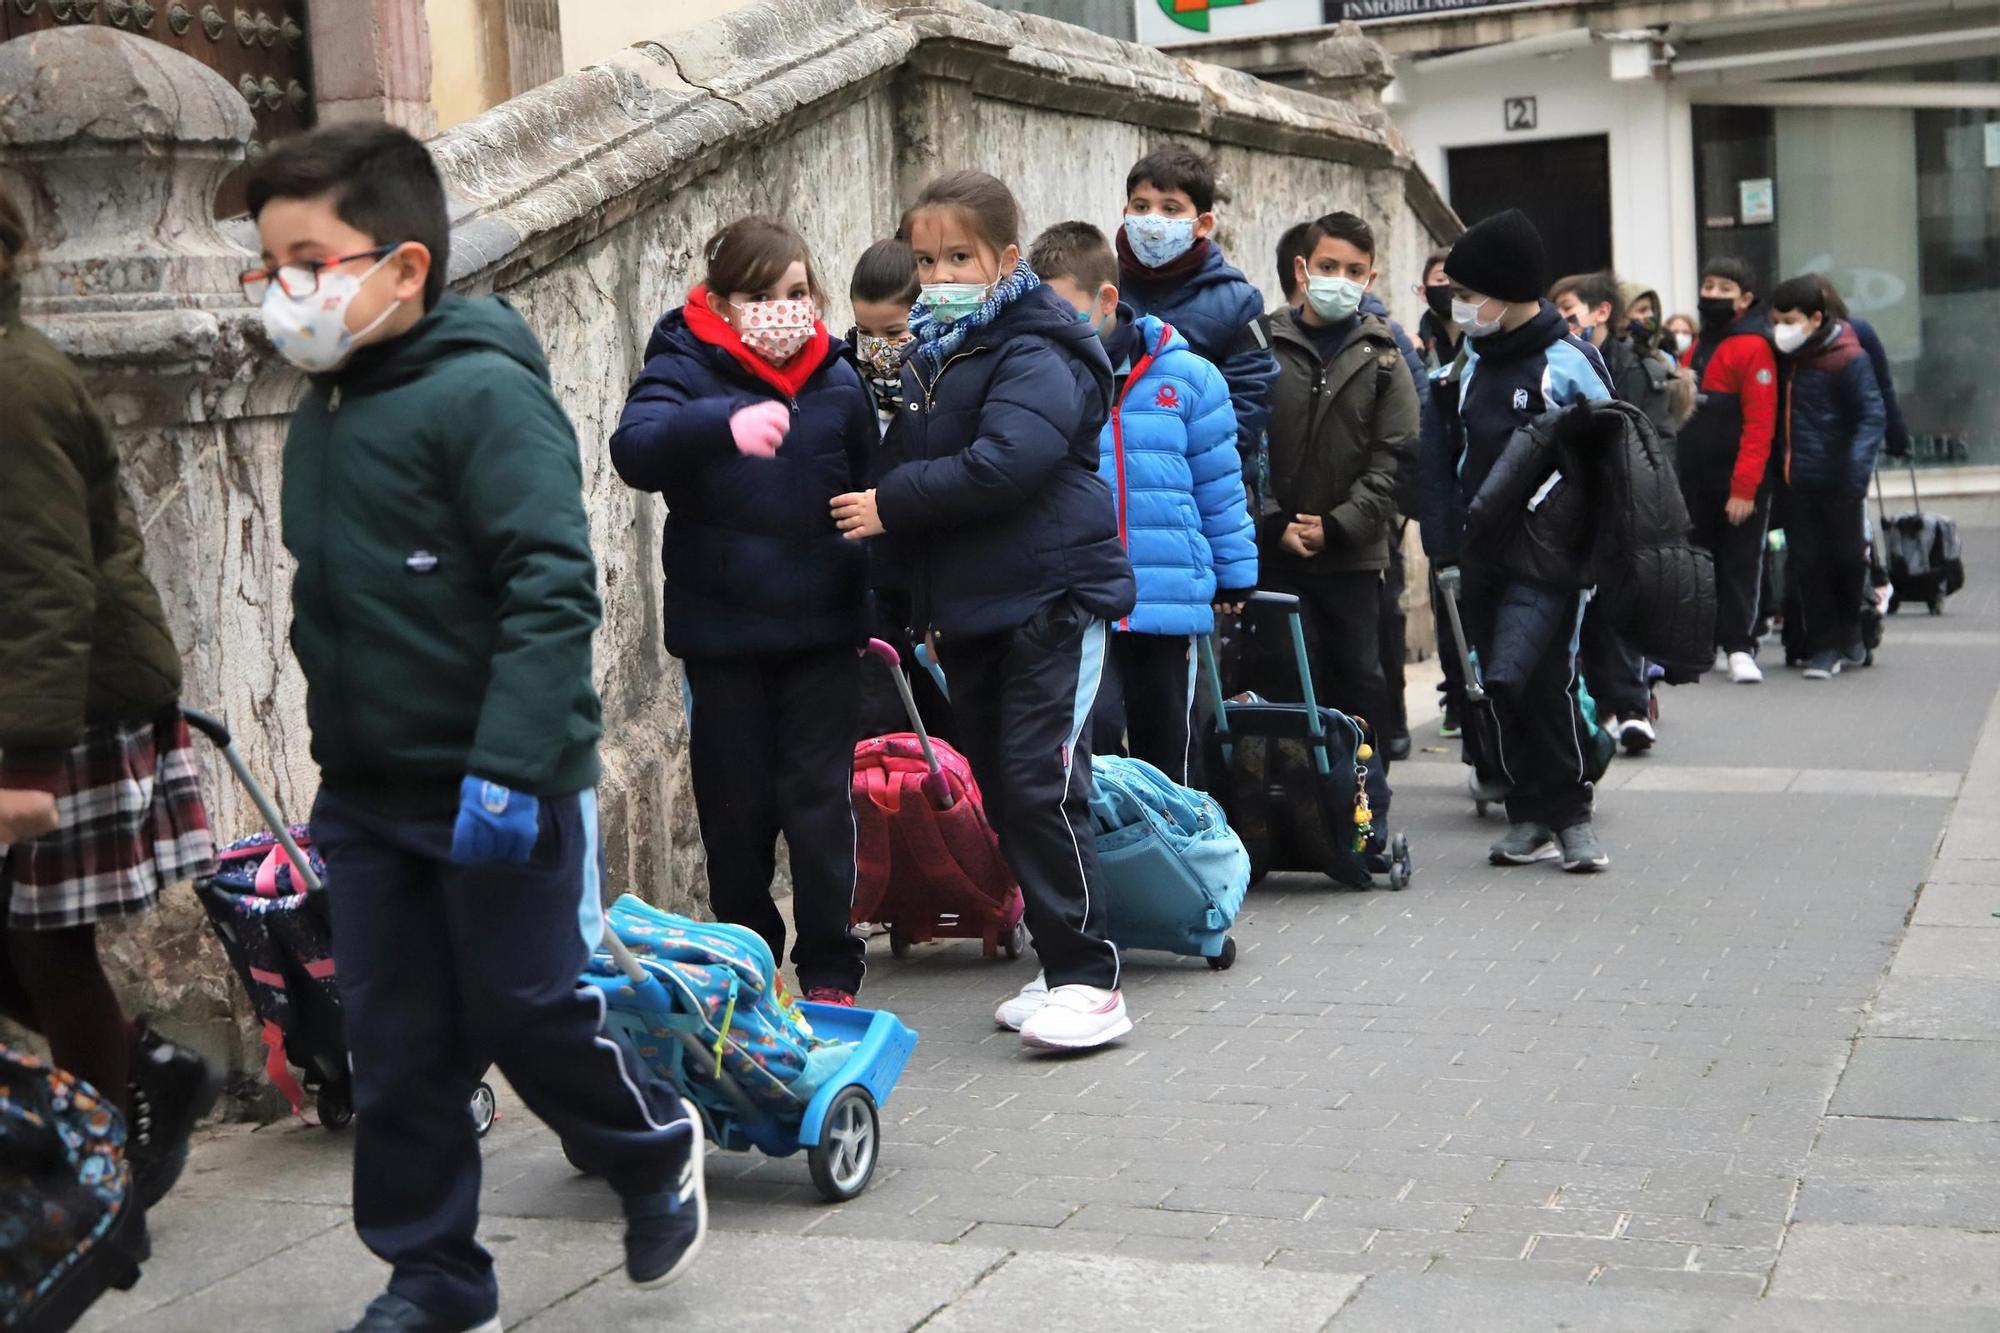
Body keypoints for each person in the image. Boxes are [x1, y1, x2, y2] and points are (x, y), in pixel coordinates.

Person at [248, 125, 704, 1332]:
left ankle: (652, 1148)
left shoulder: (485, 394)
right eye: (270, 267)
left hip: (502, 782)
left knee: (527, 1008)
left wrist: (509, 766)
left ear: (402, 266)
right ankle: (437, 1277)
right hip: (371, 793)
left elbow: (551, 585)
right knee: (394, 1045)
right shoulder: (326, 410)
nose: (286, 292)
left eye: (309, 259)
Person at [830, 172, 1137, 1052]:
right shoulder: (940, 351)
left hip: (1052, 599)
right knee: (1005, 789)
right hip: (977, 609)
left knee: (1042, 783)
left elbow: (1010, 459)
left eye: (958, 256)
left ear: (1006, 258)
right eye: (926, 259)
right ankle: (1060, 959)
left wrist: (891, 502)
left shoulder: (1037, 345)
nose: (939, 273)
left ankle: (1092, 976)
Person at [0, 187, 219, 1215]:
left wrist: (29, 762)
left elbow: (47, 579)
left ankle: (95, 1172)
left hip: (65, 706)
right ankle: (138, 1077)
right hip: (31, 698)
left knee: (49, 942)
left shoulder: (16, 384)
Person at [612, 216, 871, 1006]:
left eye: (796, 293)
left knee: (819, 807)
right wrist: (719, 425)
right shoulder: (683, 364)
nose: (782, 309)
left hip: (824, 634)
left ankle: (831, 971)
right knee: (736, 814)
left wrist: (887, 596)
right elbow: (636, 448)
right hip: (724, 637)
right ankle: (751, 963)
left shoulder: (839, 380)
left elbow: (873, 493)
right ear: (721, 304)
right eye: (759, 296)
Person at [1418, 209, 1615, 873]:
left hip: (1551, 558)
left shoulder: (1570, 364)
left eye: (1471, 294)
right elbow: (1443, 462)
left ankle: (1573, 815)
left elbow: (1611, 465)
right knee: (1495, 684)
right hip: (1483, 553)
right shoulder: (1467, 368)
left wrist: (1593, 551)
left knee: (1547, 677)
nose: (1462, 306)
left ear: (1506, 292)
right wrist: (1443, 547)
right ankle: (1526, 810)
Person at [1029, 220, 1255, 784]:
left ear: (1107, 300)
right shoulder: (1038, 379)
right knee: (1093, 739)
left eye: (1063, 311)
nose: (1051, 328)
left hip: (1167, 596)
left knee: (1170, 746)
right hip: (1083, 600)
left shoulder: (1190, 378)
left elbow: (1219, 484)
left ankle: (1177, 861)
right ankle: (1103, 863)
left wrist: (1234, 574)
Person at [1260, 212, 1420, 752]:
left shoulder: (1385, 357)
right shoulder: (1258, 341)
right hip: (1276, 556)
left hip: (1352, 558)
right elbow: (1237, 442)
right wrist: (1271, 520)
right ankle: (1288, 811)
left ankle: (1362, 813)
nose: (1340, 279)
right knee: (1284, 684)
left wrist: (1339, 525)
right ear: (1302, 269)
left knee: (1359, 685)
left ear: (1370, 280)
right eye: (1328, 266)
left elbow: (1393, 459)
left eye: (1355, 271)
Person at [843, 237, 954, 742]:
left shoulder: (945, 382)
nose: (879, 347)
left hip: (932, 588)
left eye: (893, 332)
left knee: (950, 739)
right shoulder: (841, 382)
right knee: (876, 741)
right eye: (865, 332)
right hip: (866, 593)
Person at [1115, 145, 1277, 492]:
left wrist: (1181, 465)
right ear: (1125, 212)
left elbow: (1249, 401)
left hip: (1196, 488)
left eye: (1170, 209)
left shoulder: (1240, 302)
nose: (1153, 219)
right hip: (1109, 484)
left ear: (1202, 224)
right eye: (1141, 207)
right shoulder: (1102, 288)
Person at [1549, 271, 1657, 753]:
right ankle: (1603, 707)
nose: (1563, 317)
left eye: (1569, 306)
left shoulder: (1634, 365)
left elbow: (1651, 436)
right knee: (1583, 612)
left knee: (1619, 606)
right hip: (1574, 505)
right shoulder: (1558, 360)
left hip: (1625, 498)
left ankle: (1632, 706)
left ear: (1601, 312)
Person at [1768, 275, 1886, 679]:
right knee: (1808, 565)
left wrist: (1855, 473)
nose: (1780, 328)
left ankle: (1850, 633)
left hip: (1839, 483)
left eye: (1788, 319)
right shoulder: (1786, 359)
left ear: (1815, 318)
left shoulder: (1848, 357)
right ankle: (1824, 646)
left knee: (1847, 561)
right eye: (1775, 319)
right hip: (1796, 480)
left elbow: (1871, 415)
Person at [1676, 257, 1778, 685]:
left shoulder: (1754, 347)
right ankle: (1708, 644)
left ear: (1745, 299)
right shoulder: (1696, 346)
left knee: (1740, 563)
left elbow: (1760, 425)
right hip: (1695, 479)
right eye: (1708, 286)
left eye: (1724, 289)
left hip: (1737, 481)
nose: (1712, 295)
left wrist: (1745, 488)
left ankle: (1740, 646)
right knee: (1700, 564)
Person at [1812, 274, 1911, 461]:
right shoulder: (1859, 331)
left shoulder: (1792, 340)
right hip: (1852, 431)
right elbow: (1883, 388)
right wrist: (1897, 439)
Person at [1416, 247, 1462, 370]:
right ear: (1423, 292)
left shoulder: (1484, 340)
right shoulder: (1416, 349)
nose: (1450, 285)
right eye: (1441, 279)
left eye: (1456, 279)